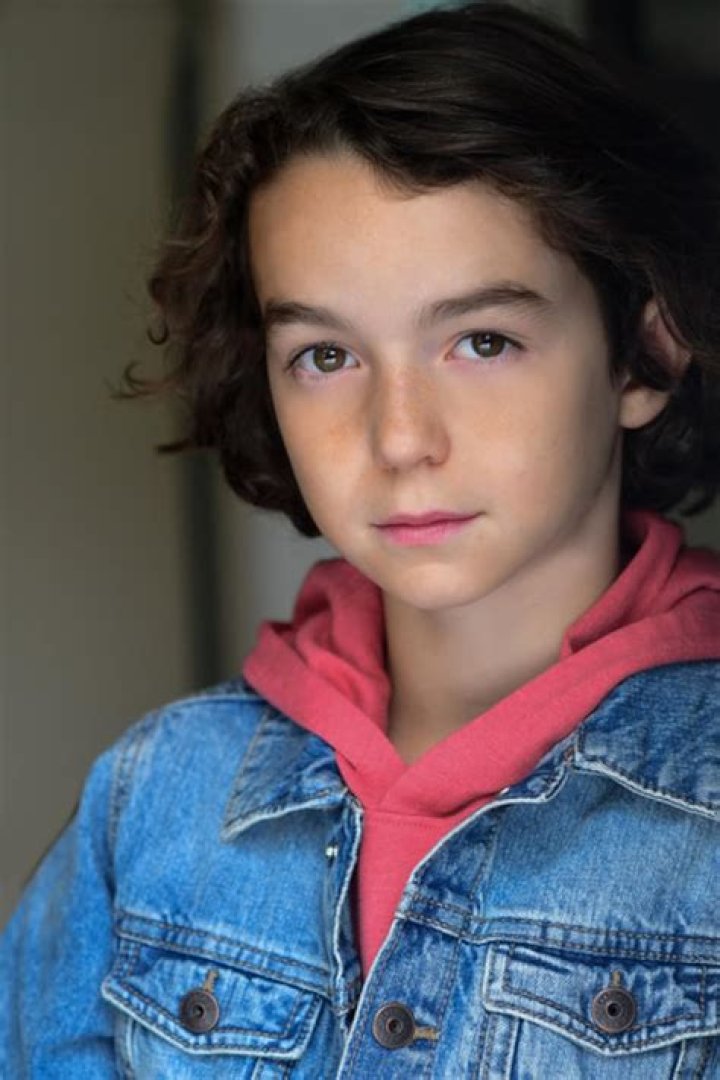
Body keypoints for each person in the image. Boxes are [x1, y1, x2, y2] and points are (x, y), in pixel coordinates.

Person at [2, 2, 719, 1076]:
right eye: (326, 357)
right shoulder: (153, 796)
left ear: (644, 353)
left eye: (483, 340)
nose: (398, 439)